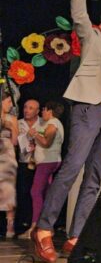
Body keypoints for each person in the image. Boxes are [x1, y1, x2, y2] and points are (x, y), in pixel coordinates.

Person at [31, 0, 101, 263]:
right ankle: (44, 230)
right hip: (89, 108)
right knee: (72, 167)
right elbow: (79, 15)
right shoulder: (92, 37)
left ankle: (75, 237)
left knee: (96, 176)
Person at [25, 102, 65, 237]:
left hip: (48, 162)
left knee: (35, 192)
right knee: (46, 193)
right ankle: (47, 228)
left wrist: (35, 134)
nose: (42, 113)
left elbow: (46, 143)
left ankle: (35, 226)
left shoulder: (53, 123)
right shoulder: (51, 123)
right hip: (48, 162)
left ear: (49, 111)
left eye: (43, 110)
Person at [15, 99, 41, 236]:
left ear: (37, 111)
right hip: (24, 162)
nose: (26, 110)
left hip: (40, 163)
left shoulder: (43, 123)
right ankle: (24, 223)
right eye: (25, 107)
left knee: (37, 194)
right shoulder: (18, 124)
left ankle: (37, 223)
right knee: (23, 193)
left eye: (31, 108)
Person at [0, 89, 18, 238]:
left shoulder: (12, 118)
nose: (10, 104)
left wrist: (11, 128)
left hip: (7, 154)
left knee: (8, 191)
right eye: (7, 101)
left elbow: (15, 141)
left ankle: (10, 226)